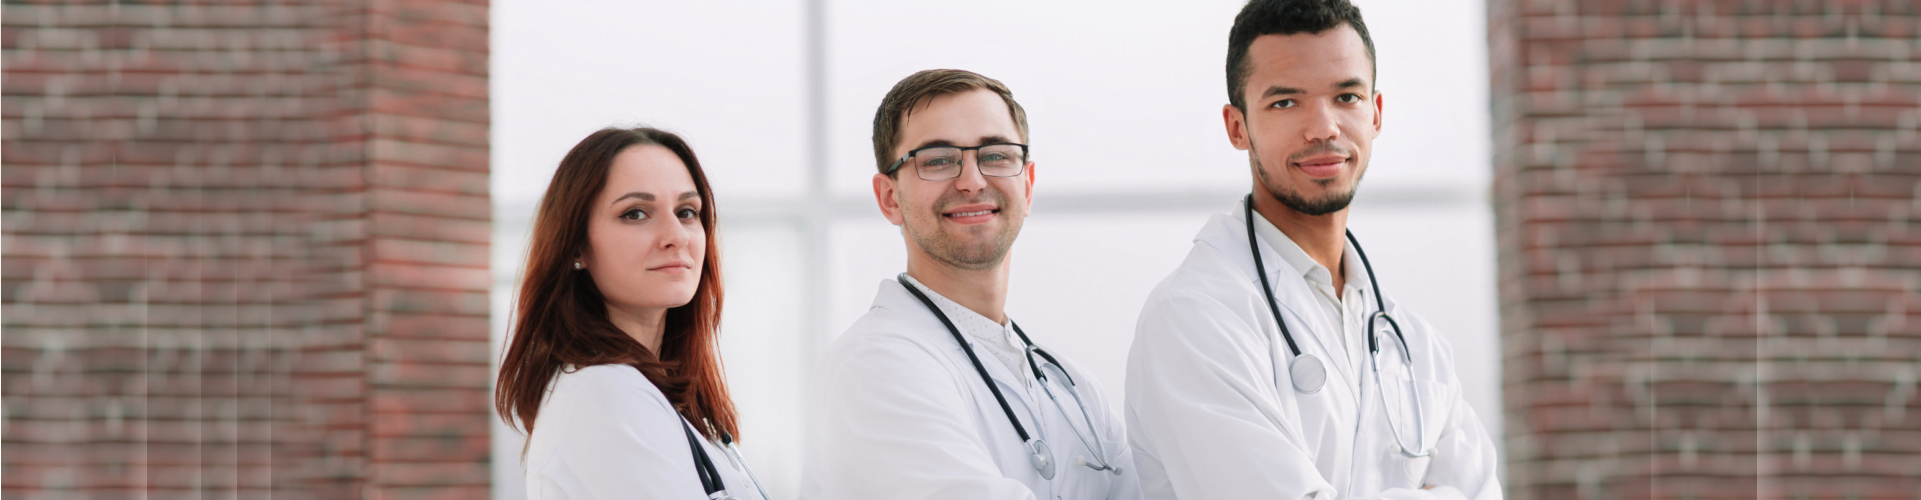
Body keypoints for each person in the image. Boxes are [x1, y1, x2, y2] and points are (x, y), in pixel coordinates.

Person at [1123, 1, 1502, 499]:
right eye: (1286, 102)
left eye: (1346, 97)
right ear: (1237, 127)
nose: (1323, 127)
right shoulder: (1195, 318)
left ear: (1376, 113)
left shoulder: (1415, 344)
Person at [802, 69, 1141, 500]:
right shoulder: (875, 365)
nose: (973, 180)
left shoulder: (1071, 386)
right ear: (890, 198)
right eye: (938, 160)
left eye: (996, 155)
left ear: (1028, 185)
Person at [495, 127, 769, 500]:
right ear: (576, 245)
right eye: (636, 213)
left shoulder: (654, 395)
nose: (676, 235)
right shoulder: (604, 393)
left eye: (687, 212)